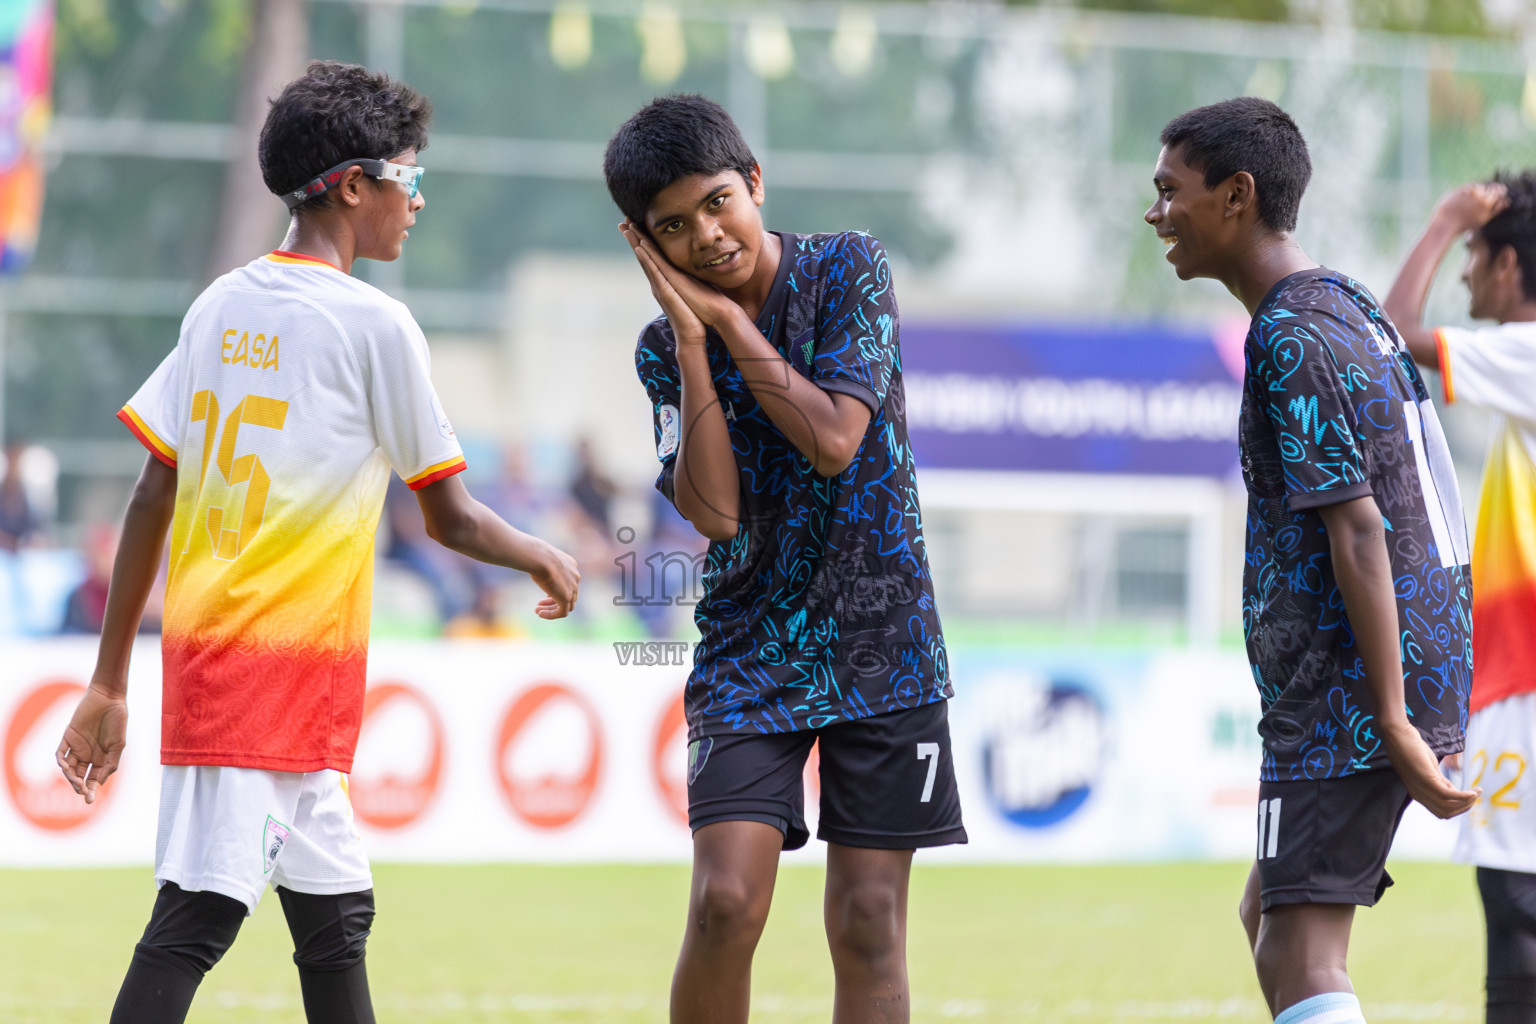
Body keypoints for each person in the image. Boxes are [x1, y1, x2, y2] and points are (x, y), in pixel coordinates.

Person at [53, 61, 579, 1024]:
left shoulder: (217, 305)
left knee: (337, 924)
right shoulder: (377, 326)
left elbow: (151, 490)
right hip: (259, 681)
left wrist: (110, 681)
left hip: (264, 682)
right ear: (352, 184)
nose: (416, 203)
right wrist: (545, 554)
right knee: (195, 921)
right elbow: (449, 516)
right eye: (409, 179)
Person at [603, 94, 965, 1024]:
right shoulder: (659, 350)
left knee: (870, 918)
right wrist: (691, 340)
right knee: (725, 904)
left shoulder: (849, 266)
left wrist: (728, 325)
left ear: (755, 182)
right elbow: (717, 514)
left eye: (719, 202)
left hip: (887, 643)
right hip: (750, 651)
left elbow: (836, 439)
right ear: (643, 243)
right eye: (673, 227)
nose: (707, 235)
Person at [1144, 96, 1477, 1024]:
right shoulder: (1344, 303)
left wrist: (1394, 717)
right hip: (1390, 673)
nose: (1155, 212)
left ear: (1237, 196)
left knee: (1300, 951)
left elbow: (1361, 529)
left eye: (1169, 191)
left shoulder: (1292, 334)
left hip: (1351, 692)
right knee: (1270, 918)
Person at [1383, 171, 1536, 1024]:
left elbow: (1392, 333)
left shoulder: (1528, 350)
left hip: (1527, 685)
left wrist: (1443, 217)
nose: (1469, 274)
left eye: (1476, 256)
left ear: (1510, 264)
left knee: (1517, 906)